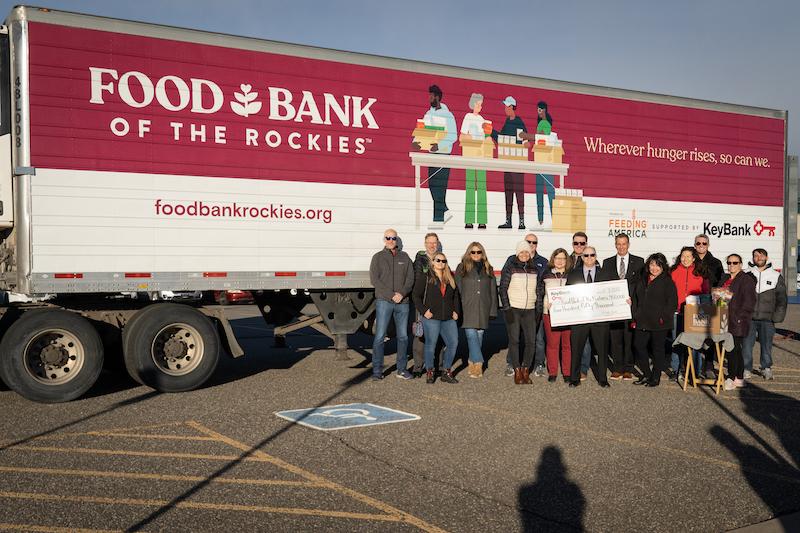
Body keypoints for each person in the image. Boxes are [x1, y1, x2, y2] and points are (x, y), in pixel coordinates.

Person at [369, 229, 415, 380]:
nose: (391, 240)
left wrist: (401, 293)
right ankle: (377, 371)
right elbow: (375, 280)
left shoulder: (404, 256)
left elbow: (410, 279)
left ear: (396, 240)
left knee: (403, 337)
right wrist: (391, 295)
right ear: (384, 239)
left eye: (393, 238)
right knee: (380, 336)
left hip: (403, 302)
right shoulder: (378, 257)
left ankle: (401, 370)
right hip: (384, 301)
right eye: (388, 238)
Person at [501, 233, 547, 377]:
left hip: (530, 310)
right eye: (522, 251)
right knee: (514, 340)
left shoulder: (534, 270)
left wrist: (538, 309)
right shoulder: (511, 267)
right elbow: (502, 288)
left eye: (527, 251)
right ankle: (516, 369)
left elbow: (539, 290)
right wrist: (507, 308)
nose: (525, 254)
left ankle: (526, 369)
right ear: (517, 253)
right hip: (514, 309)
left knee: (531, 342)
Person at [566, 246, 612, 388]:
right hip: (580, 318)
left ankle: (603, 379)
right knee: (577, 348)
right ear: (582, 257)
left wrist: (624, 300)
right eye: (586, 255)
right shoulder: (573, 274)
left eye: (592, 255)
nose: (589, 258)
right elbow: (567, 294)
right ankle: (574, 378)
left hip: (599, 319)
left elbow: (614, 292)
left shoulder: (605, 273)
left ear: (596, 256)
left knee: (602, 349)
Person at [412, 84, 457, 228]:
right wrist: (417, 142)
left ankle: (438, 221)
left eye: (431, 96)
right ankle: (445, 211)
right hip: (432, 155)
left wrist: (440, 145)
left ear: (437, 97)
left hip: (443, 154)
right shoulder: (428, 114)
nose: (429, 98)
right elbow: (422, 132)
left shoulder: (447, 115)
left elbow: (453, 136)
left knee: (440, 186)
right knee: (432, 185)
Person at [413, 252, 461, 384]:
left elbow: (456, 296)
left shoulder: (450, 277)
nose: (441, 263)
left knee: (453, 343)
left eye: (443, 261)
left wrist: (456, 311)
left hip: (448, 318)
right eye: (438, 260)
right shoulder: (426, 277)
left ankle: (446, 371)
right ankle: (430, 371)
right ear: (432, 262)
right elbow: (416, 296)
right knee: (430, 345)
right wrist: (424, 311)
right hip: (432, 318)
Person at [631, 253, 677, 387]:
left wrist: (663, 317)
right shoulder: (642, 279)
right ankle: (646, 373)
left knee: (658, 350)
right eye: (652, 264)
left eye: (658, 265)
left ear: (663, 267)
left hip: (659, 322)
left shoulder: (668, 282)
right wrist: (634, 314)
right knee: (638, 346)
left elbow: (672, 302)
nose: (654, 268)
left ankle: (655, 377)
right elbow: (635, 298)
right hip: (642, 320)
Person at [602, 234, 644, 380]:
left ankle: (628, 368)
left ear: (628, 244)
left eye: (624, 244)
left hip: (630, 307)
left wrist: (635, 299)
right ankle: (617, 368)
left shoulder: (639, 262)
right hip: (614, 309)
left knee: (629, 339)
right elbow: (605, 286)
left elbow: (640, 285)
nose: (621, 247)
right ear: (615, 245)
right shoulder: (607, 263)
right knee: (615, 339)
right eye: (618, 244)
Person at [742, 248, 787, 381]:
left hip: (767, 319)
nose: (759, 258)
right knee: (746, 345)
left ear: (766, 258)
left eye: (761, 255)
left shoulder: (776, 275)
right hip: (749, 318)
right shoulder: (747, 274)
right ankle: (746, 368)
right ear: (753, 258)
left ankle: (766, 368)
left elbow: (782, 299)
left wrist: (777, 317)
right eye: (756, 255)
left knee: (766, 345)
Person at [455, 242, 498, 378]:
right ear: (469, 253)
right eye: (473, 252)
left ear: (482, 253)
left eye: (478, 252)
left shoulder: (488, 268)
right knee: (471, 335)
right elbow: (457, 289)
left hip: (483, 307)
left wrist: (492, 311)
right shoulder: (462, 267)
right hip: (467, 307)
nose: (476, 254)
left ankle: (472, 362)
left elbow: (492, 291)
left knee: (479, 336)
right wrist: (458, 308)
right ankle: (479, 363)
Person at [669, 247, 709, 381]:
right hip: (677, 312)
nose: (685, 259)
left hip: (695, 313)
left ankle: (694, 371)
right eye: (683, 256)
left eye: (688, 256)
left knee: (695, 344)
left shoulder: (700, 272)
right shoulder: (673, 271)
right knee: (677, 342)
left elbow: (705, 294)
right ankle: (676, 370)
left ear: (693, 258)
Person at [717, 254, 756, 390]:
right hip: (724, 319)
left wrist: (741, 317)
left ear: (740, 264)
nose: (731, 265)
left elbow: (749, 302)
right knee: (735, 350)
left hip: (738, 320)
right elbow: (720, 298)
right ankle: (739, 377)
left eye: (735, 263)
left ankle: (730, 377)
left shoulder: (746, 280)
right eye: (729, 263)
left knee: (732, 349)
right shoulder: (725, 279)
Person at [537, 248, 573, 382]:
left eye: (563, 258)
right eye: (557, 258)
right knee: (552, 344)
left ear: (566, 261)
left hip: (568, 314)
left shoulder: (571, 275)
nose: (560, 261)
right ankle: (552, 372)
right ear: (553, 259)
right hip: (550, 314)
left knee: (566, 344)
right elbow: (540, 292)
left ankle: (567, 372)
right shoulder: (546, 274)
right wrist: (545, 305)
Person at [491, 96, 528, 229]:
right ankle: (509, 221)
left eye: (506, 106)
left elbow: (524, 139)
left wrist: (525, 143)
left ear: (512, 107)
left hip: (517, 163)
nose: (505, 109)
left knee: (519, 191)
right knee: (508, 191)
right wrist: (491, 132)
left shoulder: (519, 122)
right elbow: (502, 138)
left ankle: (522, 221)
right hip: (507, 162)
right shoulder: (507, 122)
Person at [694, 234, 725, 377]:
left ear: (708, 245)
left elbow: (720, 283)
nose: (701, 245)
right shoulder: (690, 259)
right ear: (695, 245)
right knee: (693, 334)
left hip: (709, 301)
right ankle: (691, 366)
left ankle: (708, 366)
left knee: (709, 336)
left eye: (704, 243)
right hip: (692, 301)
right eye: (698, 243)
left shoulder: (716, 263)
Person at [411, 232, 441, 377]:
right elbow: (417, 281)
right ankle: (418, 367)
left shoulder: (441, 259)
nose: (432, 245)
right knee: (420, 335)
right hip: (423, 302)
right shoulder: (419, 260)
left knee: (438, 334)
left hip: (437, 303)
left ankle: (438, 366)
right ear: (425, 244)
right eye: (429, 242)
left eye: (434, 242)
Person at [460, 93, 488, 229]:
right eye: (478, 104)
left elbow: (486, 137)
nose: (480, 107)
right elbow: (462, 136)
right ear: (472, 104)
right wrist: (473, 137)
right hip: (470, 155)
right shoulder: (468, 117)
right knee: (470, 187)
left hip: (481, 155)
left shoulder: (483, 120)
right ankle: (469, 219)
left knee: (482, 187)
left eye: (481, 105)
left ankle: (482, 220)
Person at [569, 231, 591, 380]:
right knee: (570, 339)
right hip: (569, 305)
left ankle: (583, 368)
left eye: (582, 243)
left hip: (586, 307)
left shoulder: (591, 259)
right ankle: (571, 366)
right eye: (576, 243)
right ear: (573, 244)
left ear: (586, 244)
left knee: (586, 340)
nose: (579, 246)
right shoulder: (566, 259)